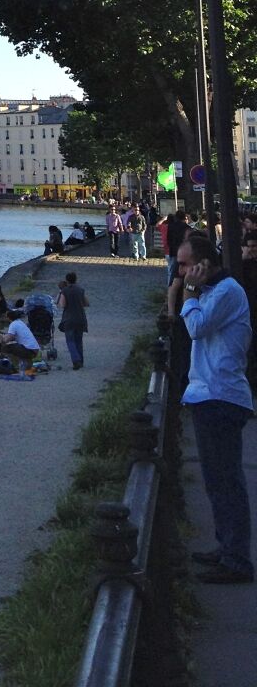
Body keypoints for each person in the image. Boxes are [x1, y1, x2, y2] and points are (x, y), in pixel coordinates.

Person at [178, 231, 254, 583]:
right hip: (210, 395)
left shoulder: (225, 292)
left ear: (203, 264)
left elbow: (195, 327)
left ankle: (237, 560)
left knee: (226, 482)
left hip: (221, 396)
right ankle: (227, 548)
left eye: (185, 265)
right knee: (217, 482)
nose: (181, 272)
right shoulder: (214, 291)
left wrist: (188, 293)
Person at [57, 271, 89, 369]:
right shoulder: (81, 290)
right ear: (76, 279)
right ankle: (81, 361)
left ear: (67, 280)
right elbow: (86, 303)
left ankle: (76, 360)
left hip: (69, 319)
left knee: (70, 341)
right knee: (79, 340)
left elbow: (62, 305)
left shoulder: (65, 291)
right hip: (80, 318)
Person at [2, 307, 42, 377]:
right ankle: (27, 363)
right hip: (34, 350)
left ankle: (17, 366)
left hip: (28, 350)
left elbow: (7, 339)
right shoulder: (20, 322)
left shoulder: (13, 324)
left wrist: (2, 337)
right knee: (16, 346)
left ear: (8, 317)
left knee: (6, 348)